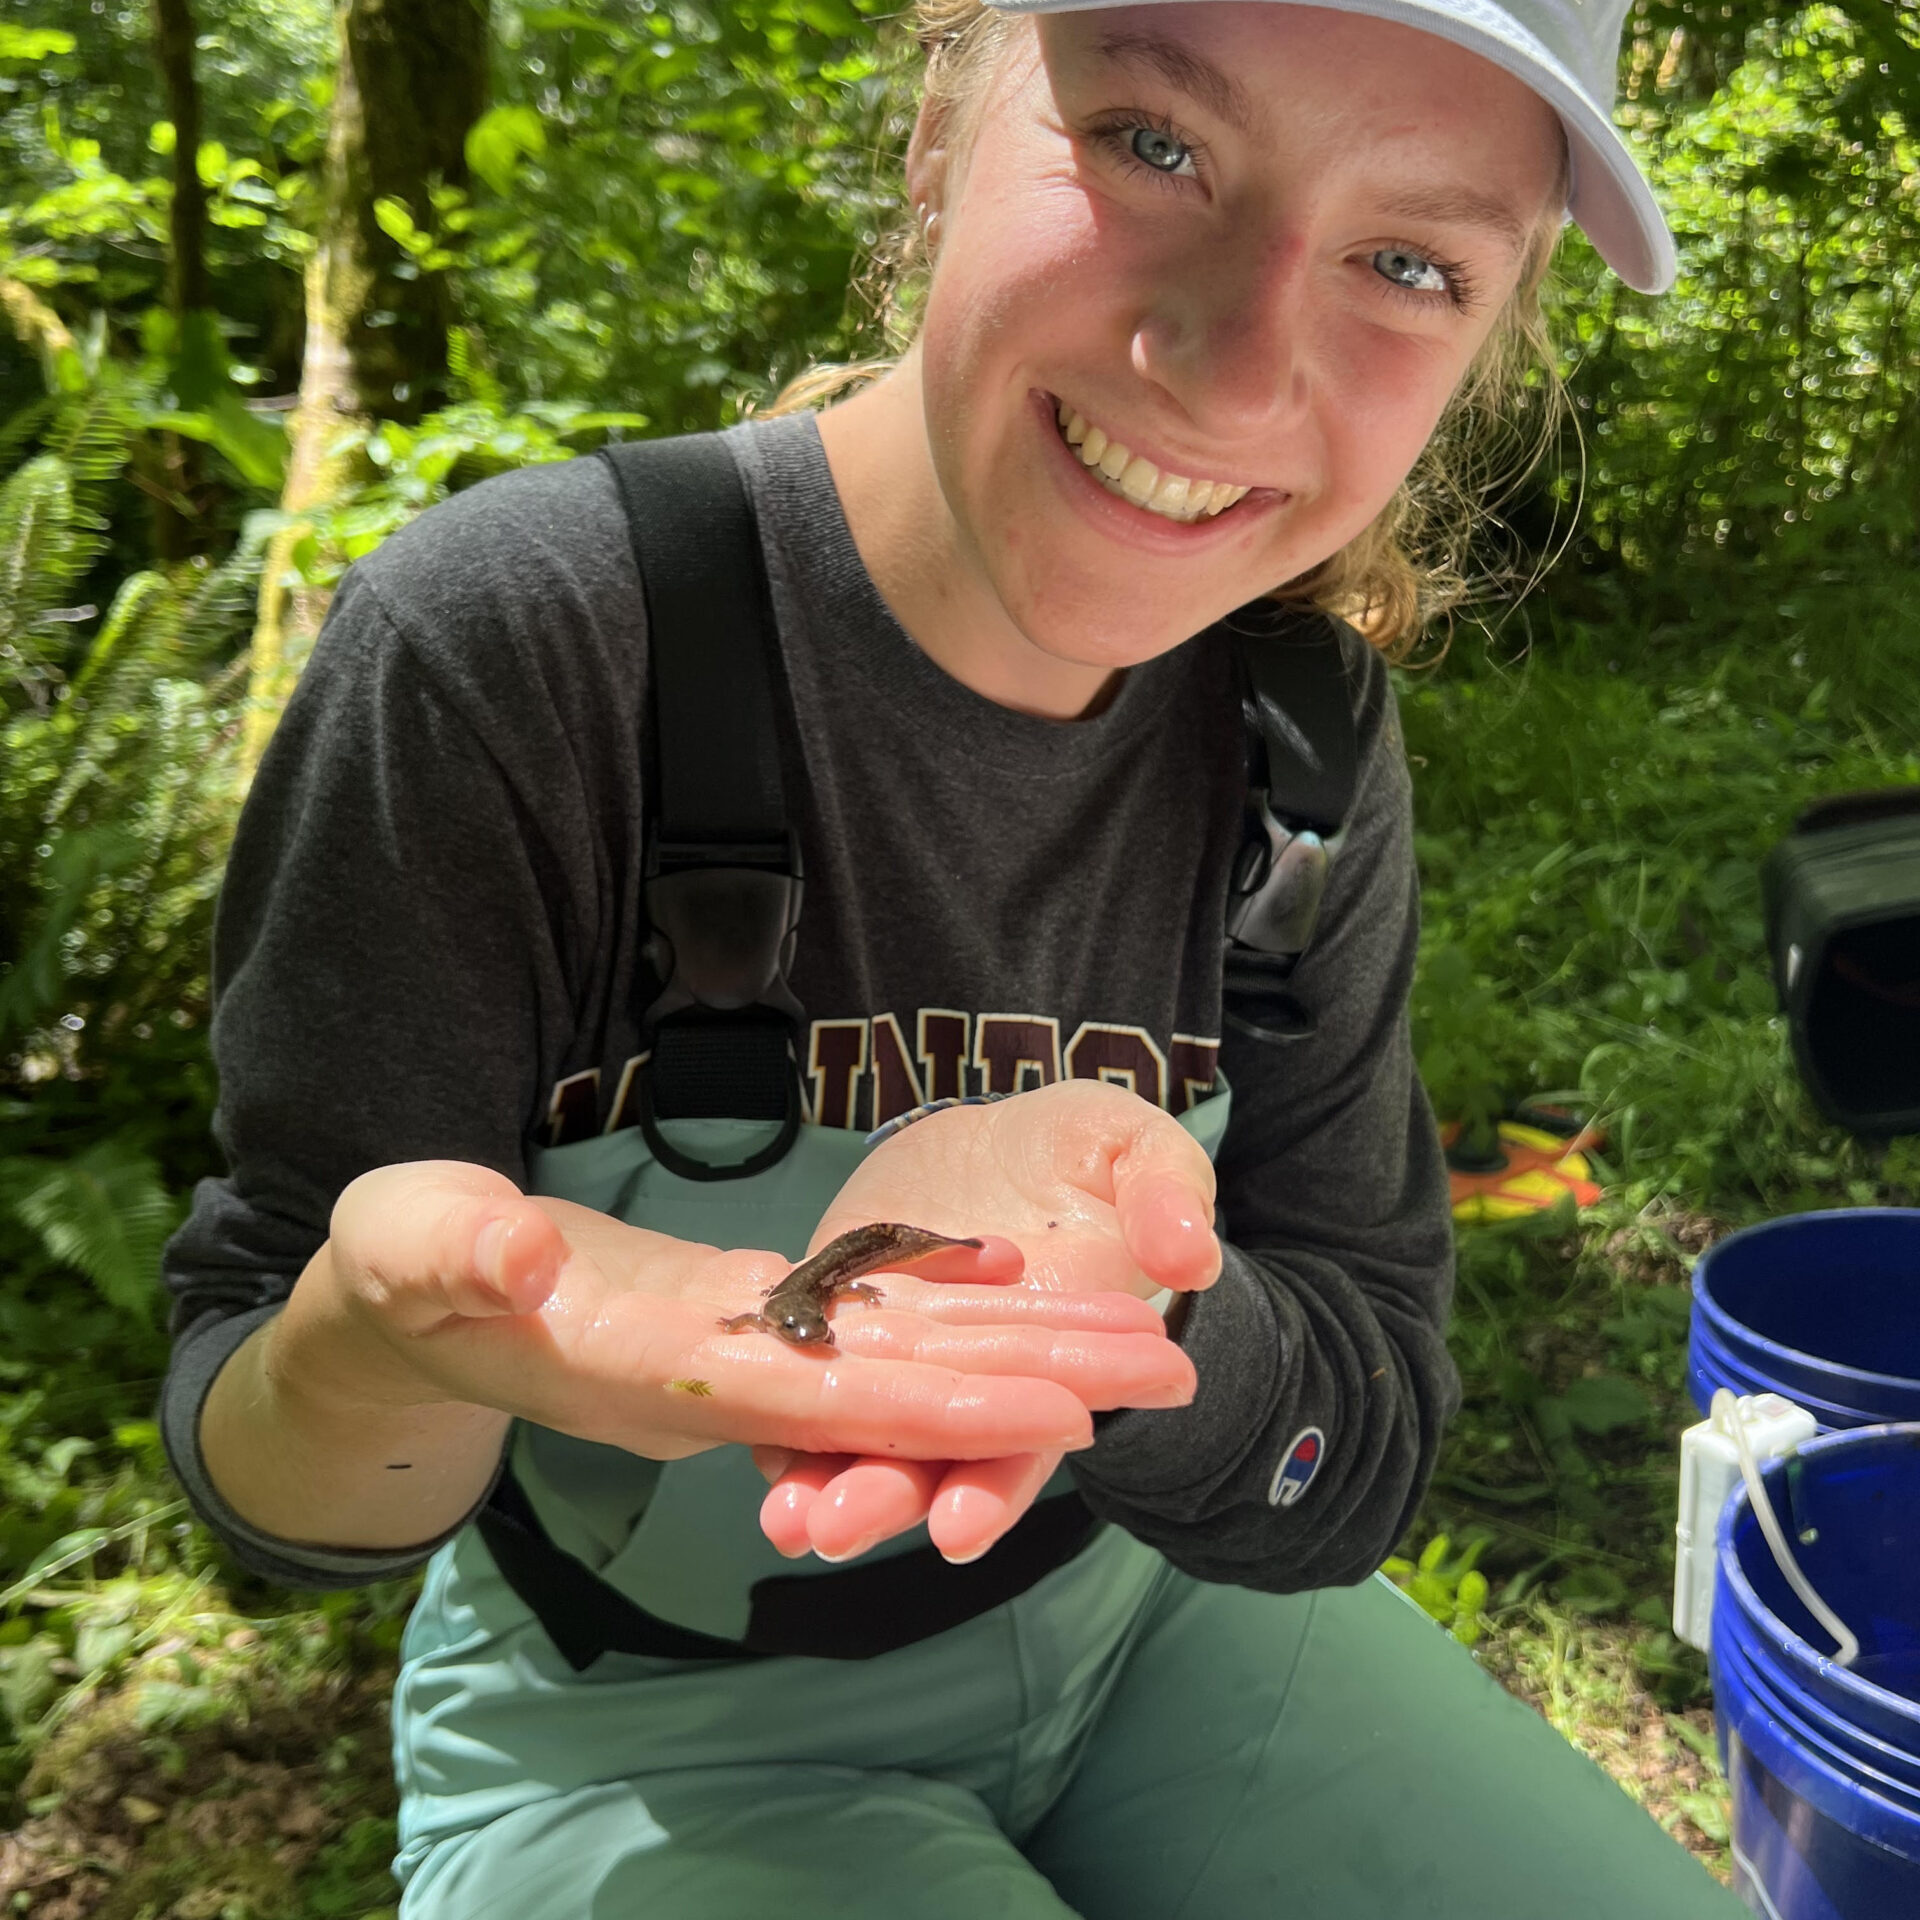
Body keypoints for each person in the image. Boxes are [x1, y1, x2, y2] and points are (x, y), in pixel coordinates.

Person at [160, 2, 1744, 1914]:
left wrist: (1152, 1308)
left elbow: (1365, 1430)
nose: (1237, 373)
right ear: (939, 129)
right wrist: (386, 1342)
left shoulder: (1300, 753)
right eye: (1160, 144)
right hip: (638, 1731)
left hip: (1152, 1629)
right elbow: (279, 1467)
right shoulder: (514, 657)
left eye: (1410, 261)